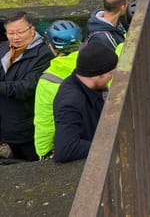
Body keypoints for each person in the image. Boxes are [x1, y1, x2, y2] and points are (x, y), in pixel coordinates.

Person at [0, 12, 54, 161]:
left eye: (20, 32)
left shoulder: (44, 53)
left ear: (32, 29)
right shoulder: (5, 48)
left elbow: (27, 87)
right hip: (7, 121)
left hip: (27, 123)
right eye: (10, 33)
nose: (15, 37)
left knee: (32, 160)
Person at [53, 42, 118, 163]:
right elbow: (65, 149)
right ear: (97, 74)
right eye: (110, 74)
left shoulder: (84, 83)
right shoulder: (71, 103)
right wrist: (109, 146)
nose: (112, 78)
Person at [34, 20, 82, 159]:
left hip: (72, 141)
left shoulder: (48, 80)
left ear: (51, 46)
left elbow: (44, 122)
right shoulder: (99, 62)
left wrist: (44, 152)